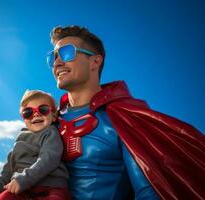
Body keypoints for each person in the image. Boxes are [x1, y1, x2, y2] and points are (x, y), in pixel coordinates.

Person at [46, 25, 205, 200]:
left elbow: (148, 192)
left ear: (95, 62)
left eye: (67, 53)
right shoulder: (47, 120)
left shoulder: (122, 119)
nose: (57, 63)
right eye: (53, 57)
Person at [0, 90, 70, 200]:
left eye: (43, 110)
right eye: (28, 112)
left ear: (54, 116)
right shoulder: (21, 138)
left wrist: (23, 180)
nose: (36, 114)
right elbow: (9, 166)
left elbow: (48, 159)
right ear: (23, 118)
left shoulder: (50, 133)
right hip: (21, 187)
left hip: (51, 186)